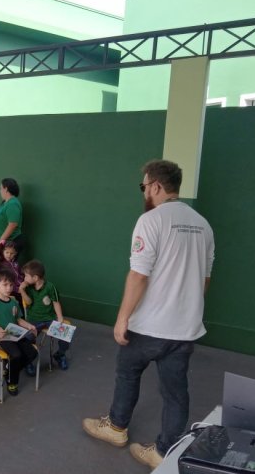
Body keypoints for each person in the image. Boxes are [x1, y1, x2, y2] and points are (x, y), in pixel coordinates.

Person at [82, 160, 215, 470]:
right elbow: (205, 279)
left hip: (149, 327)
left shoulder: (150, 220)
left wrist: (122, 318)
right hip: (184, 329)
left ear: (156, 186)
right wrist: (187, 309)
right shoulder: (203, 225)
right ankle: (164, 451)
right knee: (176, 393)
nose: (144, 192)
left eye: (144, 186)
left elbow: (139, 275)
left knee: (127, 372)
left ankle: (116, 427)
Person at [0, 267, 37, 397]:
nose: (9, 288)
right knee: (17, 355)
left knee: (32, 353)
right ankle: (12, 382)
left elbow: (18, 319)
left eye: (11, 285)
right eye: (5, 285)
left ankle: (7, 368)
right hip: (0, 337)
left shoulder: (13, 301)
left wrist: (29, 326)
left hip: (14, 334)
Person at [19, 259, 69, 372]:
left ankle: (60, 355)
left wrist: (60, 318)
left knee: (65, 335)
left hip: (49, 319)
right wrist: (22, 291)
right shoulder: (28, 287)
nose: (24, 278)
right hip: (33, 320)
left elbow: (56, 302)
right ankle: (28, 361)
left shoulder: (50, 287)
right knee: (27, 339)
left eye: (26, 276)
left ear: (35, 277)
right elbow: (28, 302)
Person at [0, 178, 24, 257]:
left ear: (6, 189)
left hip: (10, 245)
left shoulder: (12, 203)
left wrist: (1, 240)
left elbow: (12, 224)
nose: (0, 191)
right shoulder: (5, 203)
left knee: (6, 265)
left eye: (1, 188)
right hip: (5, 245)